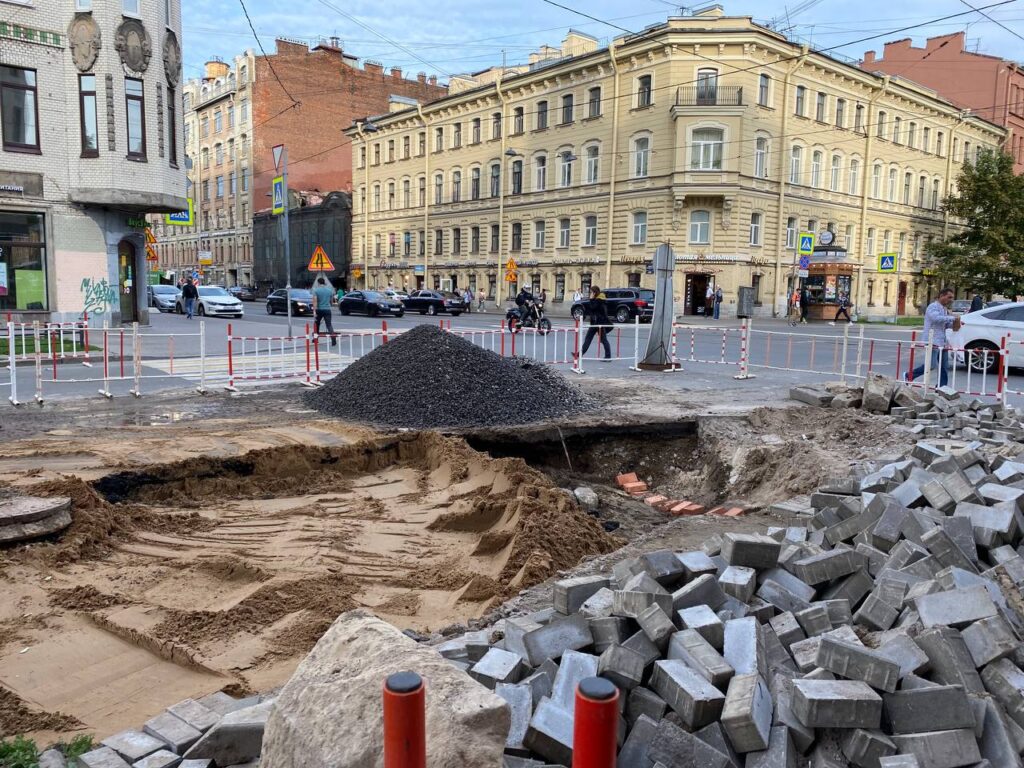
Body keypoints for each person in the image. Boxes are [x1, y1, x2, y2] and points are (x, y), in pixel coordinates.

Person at [907, 287, 961, 388]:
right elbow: (936, 319)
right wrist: (952, 318)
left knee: (944, 366)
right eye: (949, 297)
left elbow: (944, 325)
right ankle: (908, 375)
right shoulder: (933, 306)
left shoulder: (944, 309)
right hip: (932, 340)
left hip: (942, 341)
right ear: (941, 296)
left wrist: (955, 324)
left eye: (952, 298)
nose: (951, 300)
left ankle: (942, 387)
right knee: (931, 365)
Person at [580, 285, 612, 361]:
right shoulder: (601, 299)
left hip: (596, 322)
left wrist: (591, 299)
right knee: (603, 340)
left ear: (594, 292)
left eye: (591, 292)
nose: (590, 294)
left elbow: (593, 307)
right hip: (599, 322)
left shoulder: (598, 300)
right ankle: (608, 356)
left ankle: (579, 354)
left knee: (588, 339)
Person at [312, 276, 337, 347]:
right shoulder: (329, 291)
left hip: (319, 310)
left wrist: (314, 311)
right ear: (324, 282)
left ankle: (315, 339)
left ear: (318, 283)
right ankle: (333, 338)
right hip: (327, 310)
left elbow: (315, 301)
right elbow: (331, 302)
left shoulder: (316, 291)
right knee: (329, 325)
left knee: (317, 324)